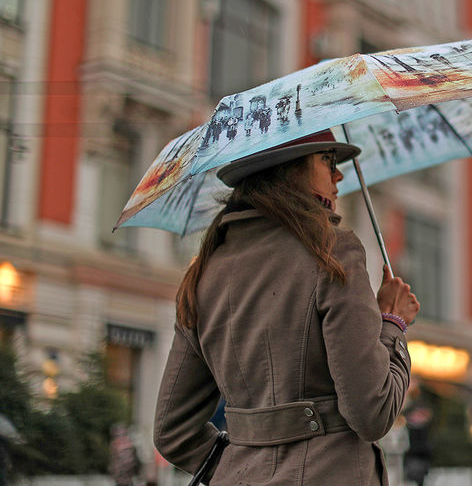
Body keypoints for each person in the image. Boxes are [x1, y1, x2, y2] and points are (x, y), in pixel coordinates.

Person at [153, 130, 421, 486]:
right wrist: (392, 321)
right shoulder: (333, 252)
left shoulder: (205, 271)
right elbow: (373, 412)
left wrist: (242, 465)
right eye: (326, 159)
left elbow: (172, 432)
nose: (338, 174)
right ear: (289, 169)